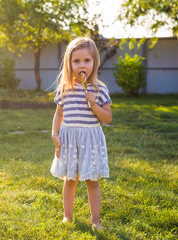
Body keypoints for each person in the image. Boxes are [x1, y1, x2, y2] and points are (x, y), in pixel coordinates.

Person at [50, 36, 112, 230]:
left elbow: (108, 118)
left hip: (90, 140)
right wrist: (55, 134)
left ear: (95, 62)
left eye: (87, 60)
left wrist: (94, 104)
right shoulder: (65, 89)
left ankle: (95, 221)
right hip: (69, 141)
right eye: (76, 61)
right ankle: (67, 216)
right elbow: (59, 113)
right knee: (70, 180)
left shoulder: (99, 89)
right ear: (69, 64)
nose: (81, 65)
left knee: (92, 181)